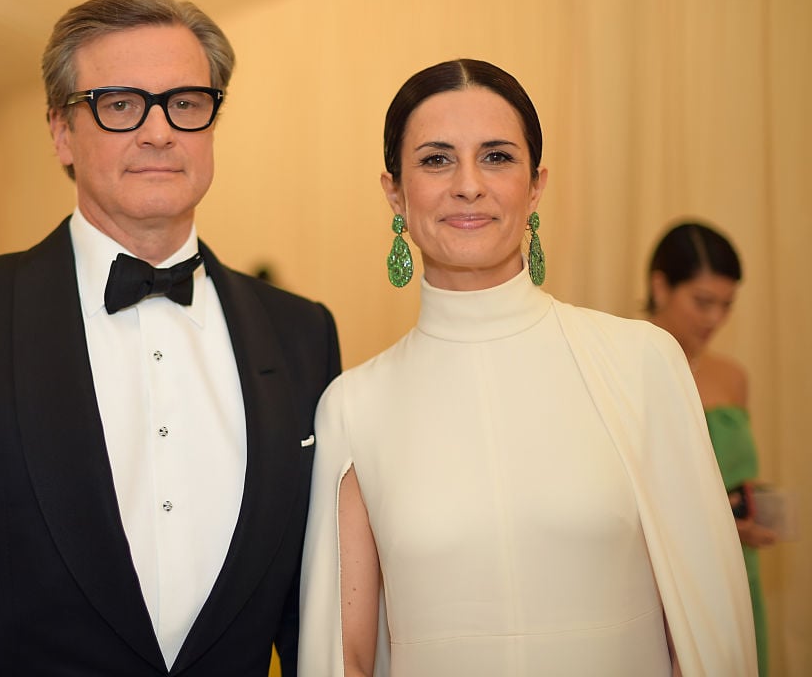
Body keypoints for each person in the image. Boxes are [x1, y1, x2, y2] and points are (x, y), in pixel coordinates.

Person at [0, 0, 340, 676]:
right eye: (120, 103)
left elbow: (311, 608)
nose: (159, 131)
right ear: (61, 131)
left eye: (186, 103)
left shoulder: (302, 333)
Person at [298, 59, 756, 676]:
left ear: (536, 185)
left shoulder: (641, 362)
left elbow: (703, 634)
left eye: (496, 157)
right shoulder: (354, 406)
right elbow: (345, 656)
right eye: (436, 159)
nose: (468, 185)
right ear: (394, 193)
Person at [648, 221, 775, 676]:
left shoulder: (732, 376)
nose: (715, 319)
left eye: (727, 305)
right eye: (702, 302)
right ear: (660, 286)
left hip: (736, 568)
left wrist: (752, 505)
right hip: (667, 575)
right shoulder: (626, 364)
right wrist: (715, 515)